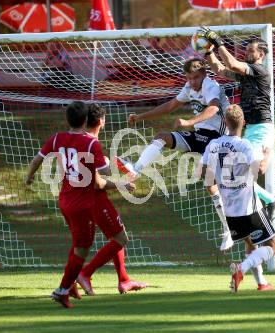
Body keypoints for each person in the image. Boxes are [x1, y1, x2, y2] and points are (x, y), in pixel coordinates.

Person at [116, 58, 234, 251]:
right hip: (201, 135)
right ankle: (136, 170)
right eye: (189, 78)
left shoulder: (211, 86)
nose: (193, 82)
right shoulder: (189, 88)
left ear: (204, 74)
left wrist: (189, 122)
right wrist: (140, 117)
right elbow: (170, 106)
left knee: (210, 181)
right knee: (162, 137)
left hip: (218, 138)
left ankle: (228, 229)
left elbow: (213, 108)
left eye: (196, 77)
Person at [25, 101, 133, 308]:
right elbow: (101, 181)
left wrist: (29, 177)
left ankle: (70, 285)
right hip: (82, 204)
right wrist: (122, 184)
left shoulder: (57, 138)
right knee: (82, 249)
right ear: (86, 120)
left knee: (78, 245)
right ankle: (63, 289)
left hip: (64, 200)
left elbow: (37, 159)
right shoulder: (91, 144)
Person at [201, 27, 275, 220]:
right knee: (235, 175)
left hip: (261, 129)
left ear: (261, 54)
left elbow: (231, 63)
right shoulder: (246, 72)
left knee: (240, 173)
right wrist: (208, 51)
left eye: (250, 52)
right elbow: (220, 69)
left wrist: (218, 41)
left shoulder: (259, 70)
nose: (247, 54)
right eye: (245, 52)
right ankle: (269, 201)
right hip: (252, 129)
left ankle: (270, 200)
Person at [201, 104, 275, 292]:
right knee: (272, 246)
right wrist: (268, 155)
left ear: (225, 122)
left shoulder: (213, 145)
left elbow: (205, 177)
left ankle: (262, 283)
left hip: (229, 211)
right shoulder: (245, 145)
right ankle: (241, 269)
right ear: (243, 123)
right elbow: (259, 169)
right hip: (248, 207)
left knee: (250, 244)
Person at [76, 104, 147, 296]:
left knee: (116, 236)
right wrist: (124, 180)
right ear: (101, 121)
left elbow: (98, 170)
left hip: (80, 199)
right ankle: (85, 273)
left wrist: (114, 167)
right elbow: (99, 180)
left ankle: (124, 280)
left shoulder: (79, 141)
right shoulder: (92, 143)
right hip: (95, 199)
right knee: (121, 238)